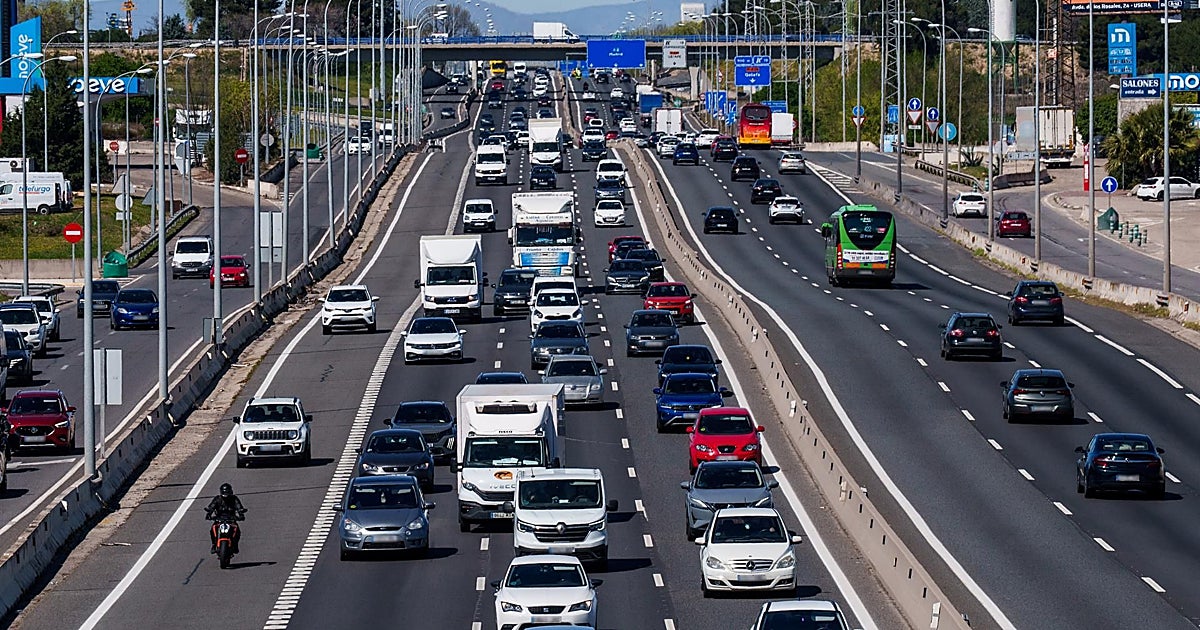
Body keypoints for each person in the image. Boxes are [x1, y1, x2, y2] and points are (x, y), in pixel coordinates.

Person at [205, 483, 246, 554]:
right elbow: (212, 506)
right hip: (219, 518)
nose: (225, 495)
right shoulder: (217, 499)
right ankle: (214, 544)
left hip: (231, 518)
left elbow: (239, 507)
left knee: (237, 530)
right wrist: (209, 513)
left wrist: (241, 514)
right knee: (213, 528)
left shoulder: (234, 498)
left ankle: (235, 545)